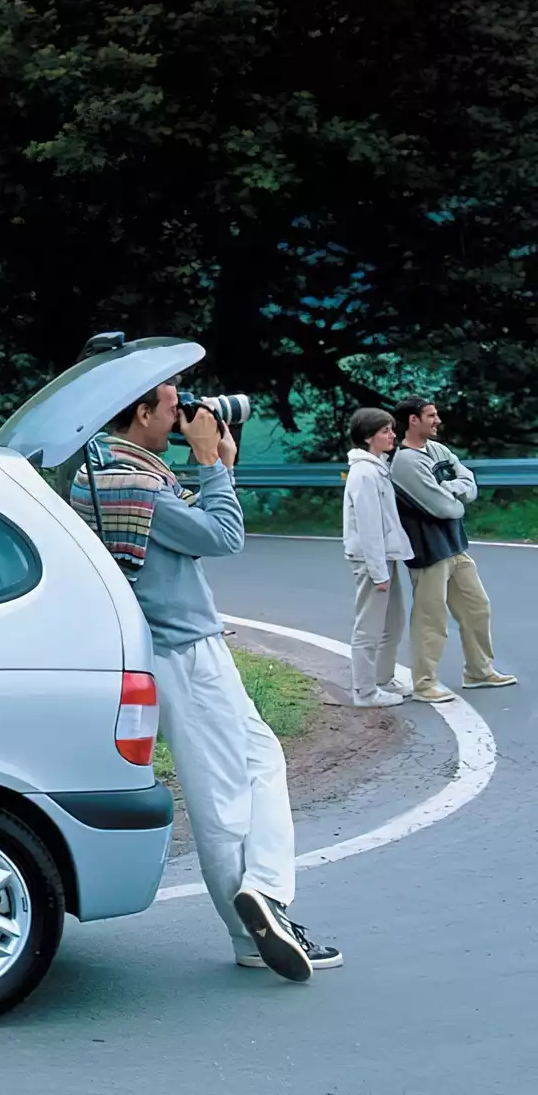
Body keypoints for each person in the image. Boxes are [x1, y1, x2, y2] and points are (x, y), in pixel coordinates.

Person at [70, 381, 338, 981]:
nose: (185, 415)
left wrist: (216, 465)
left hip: (167, 645)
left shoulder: (102, 474)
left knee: (261, 758)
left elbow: (184, 523)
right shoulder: (139, 486)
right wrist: (211, 462)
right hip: (185, 652)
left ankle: (265, 895)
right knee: (221, 795)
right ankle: (254, 925)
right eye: (173, 408)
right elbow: (223, 536)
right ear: (142, 412)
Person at [388, 398, 516, 701]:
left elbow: (469, 481)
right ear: (413, 420)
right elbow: (444, 508)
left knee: (477, 608)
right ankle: (424, 684)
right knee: (430, 619)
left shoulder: (438, 450)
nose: (438, 420)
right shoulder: (405, 462)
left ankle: (479, 671)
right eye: (431, 416)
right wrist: (454, 493)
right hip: (428, 550)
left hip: (455, 545)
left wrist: (450, 489)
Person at [340, 408, 413, 708]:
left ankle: (382, 679)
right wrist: (378, 572)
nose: (393, 435)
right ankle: (365, 692)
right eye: (385, 431)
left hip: (383, 557)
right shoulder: (364, 473)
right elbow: (369, 526)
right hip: (371, 560)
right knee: (369, 627)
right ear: (368, 437)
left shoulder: (376, 467)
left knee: (393, 621)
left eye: (391, 429)